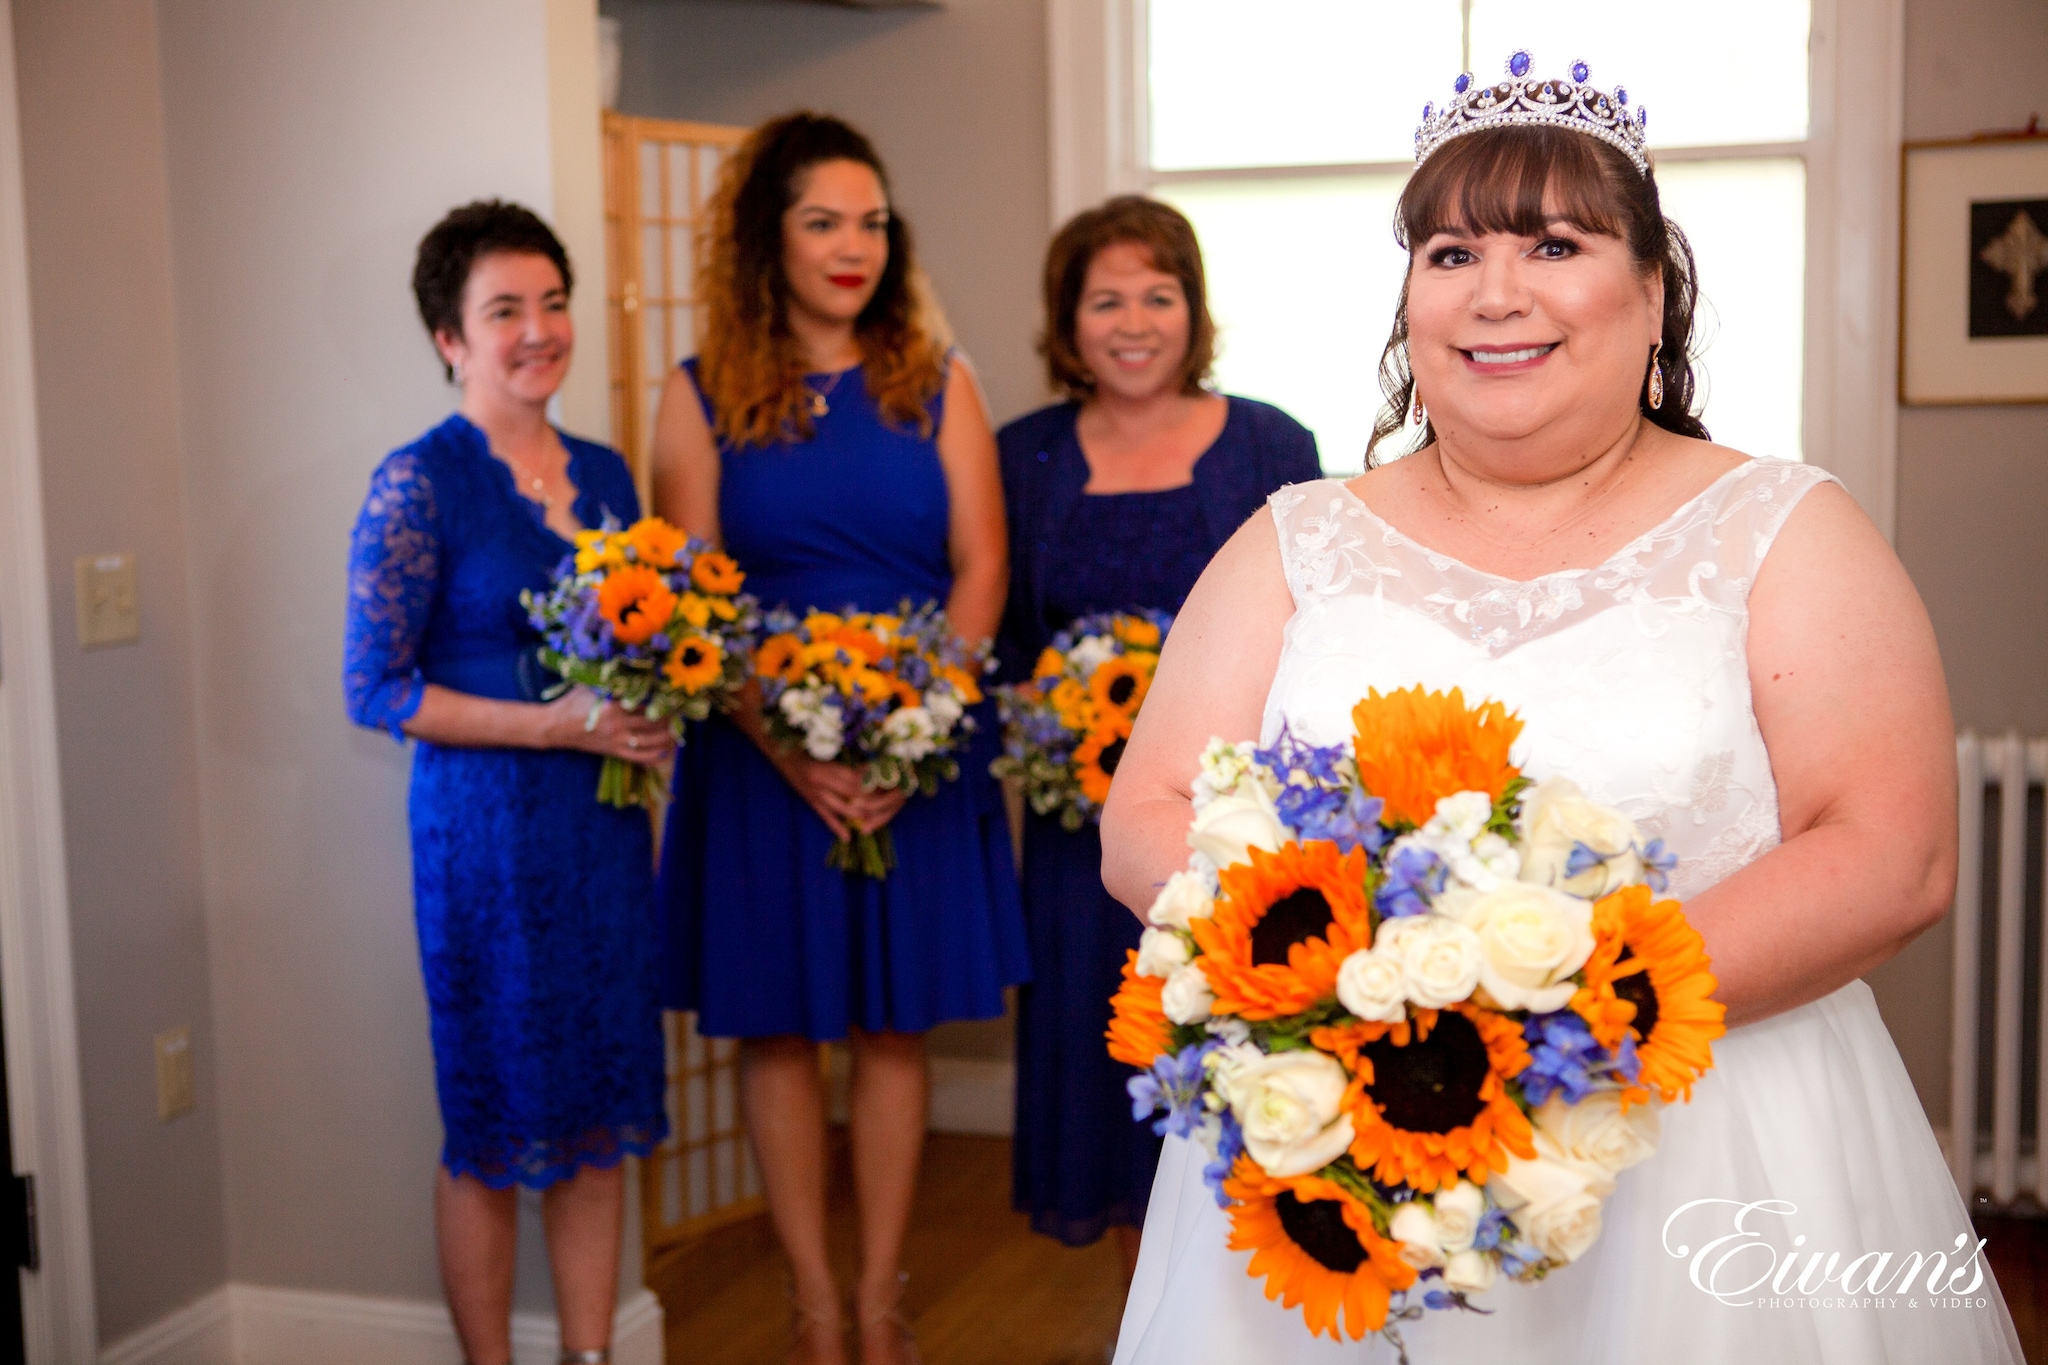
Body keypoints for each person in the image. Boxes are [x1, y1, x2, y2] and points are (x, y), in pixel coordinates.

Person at [1099, 62, 2024, 1365]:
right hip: (1350, 1145)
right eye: (1451, 248)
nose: (1496, 291)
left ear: (1653, 291)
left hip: (1717, 1150)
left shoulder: (1785, 529)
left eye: (1554, 241)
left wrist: (1548, 1020)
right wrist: (1321, 988)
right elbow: (1145, 812)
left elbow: (1892, 850)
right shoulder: (1293, 541)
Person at [650, 112, 1027, 1365]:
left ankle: (878, 1296)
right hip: (766, 761)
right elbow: (696, 597)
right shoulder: (698, 393)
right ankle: (810, 1301)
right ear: (769, 240)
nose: (853, 246)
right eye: (822, 221)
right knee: (778, 1025)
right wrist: (791, 743)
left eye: (870, 222)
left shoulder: (940, 380)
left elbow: (980, 570)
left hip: (917, 751)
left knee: (891, 1026)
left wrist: (913, 726)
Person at [344, 201, 670, 1365]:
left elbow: (639, 651)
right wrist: (553, 729)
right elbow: (374, 689)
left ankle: (589, 1357)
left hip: (602, 839)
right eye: (502, 311)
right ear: (449, 337)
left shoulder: (606, 474)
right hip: (483, 844)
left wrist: (648, 727)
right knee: (489, 1123)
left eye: (551, 303)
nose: (537, 330)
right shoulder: (417, 485)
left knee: (592, 1119)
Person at [997, 196, 1319, 1270]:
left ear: (1192, 308)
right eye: (1104, 299)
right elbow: (1003, 644)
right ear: (1065, 320)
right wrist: (1052, 726)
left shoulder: (1270, 443)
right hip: (1072, 835)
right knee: (1097, 1069)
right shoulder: (1022, 456)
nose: (1132, 321)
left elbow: (1316, 633)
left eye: (1156, 294)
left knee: (1237, 1061)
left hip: (1228, 827)